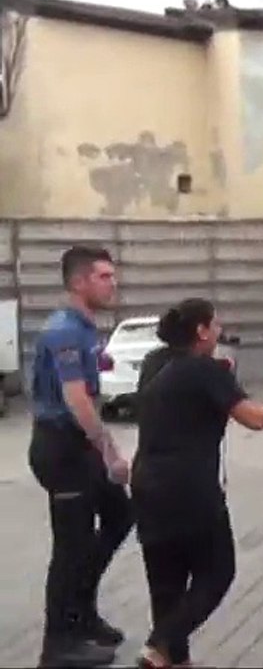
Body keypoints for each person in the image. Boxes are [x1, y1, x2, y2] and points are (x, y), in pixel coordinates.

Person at [132, 299, 263, 668]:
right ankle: (158, 645)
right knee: (217, 572)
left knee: (166, 582)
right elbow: (253, 418)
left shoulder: (154, 364)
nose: (221, 331)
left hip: (146, 483)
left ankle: (175, 660)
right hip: (189, 487)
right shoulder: (205, 370)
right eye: (216, 325)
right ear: (201, 331)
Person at [29, 246, 133, 668]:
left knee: (120, 516)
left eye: (112, 275)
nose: (113, 282)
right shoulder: (64, 331)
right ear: (78, 283)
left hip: (78, 445)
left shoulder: (86, 329)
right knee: (71, 547)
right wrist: (111, 453)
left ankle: (83, 614)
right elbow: (78, 401)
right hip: (61, 448)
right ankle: (57, 643)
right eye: (104, 276)